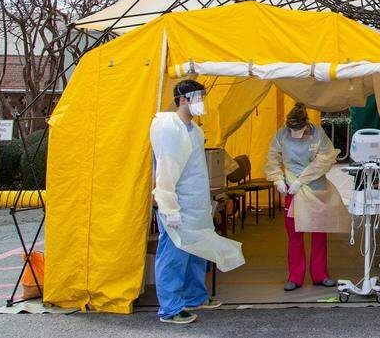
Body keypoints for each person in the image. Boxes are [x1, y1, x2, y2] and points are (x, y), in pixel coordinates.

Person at [150, 79, 245, 325]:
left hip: (196, 204)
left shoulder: (195, 130)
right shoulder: (169, 129)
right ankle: (170, 308)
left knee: (197, 252)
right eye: (199, 98)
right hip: (177, 205)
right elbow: (166, 172)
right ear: (183, 100)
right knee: (174, 256)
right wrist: (169, 209)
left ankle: (195, 296)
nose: (203, 103)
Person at [265, 103, 350, 292]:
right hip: (292, 191)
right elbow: (272, 158)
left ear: (306, 124)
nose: (294, 132)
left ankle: (320, 274)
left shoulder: (318, 134)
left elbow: (325, 159)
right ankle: (295, 276)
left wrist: (301, 180)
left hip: (315, 188)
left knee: (319, 232)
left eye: (298, 128)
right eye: (292, 129)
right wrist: (278, 179)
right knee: (294, 234)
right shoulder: (282, 134)